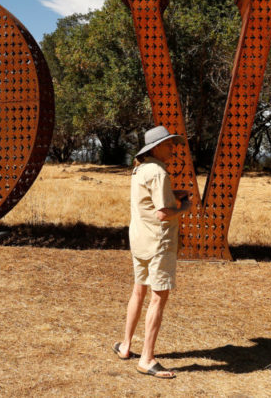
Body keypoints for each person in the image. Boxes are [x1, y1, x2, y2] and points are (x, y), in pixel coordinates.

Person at [113, 125, 192, 379]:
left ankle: (125, 346)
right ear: (157, 147)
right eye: (169, 144)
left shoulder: (139, 169)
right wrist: (185, 207)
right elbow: (162, 213)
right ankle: (147, 359)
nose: (173, 149)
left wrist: (172, 195)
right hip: (159, 243)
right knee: (158, 298)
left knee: (138, 290)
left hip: (139, 239)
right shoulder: (158, 172)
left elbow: (150, 203)